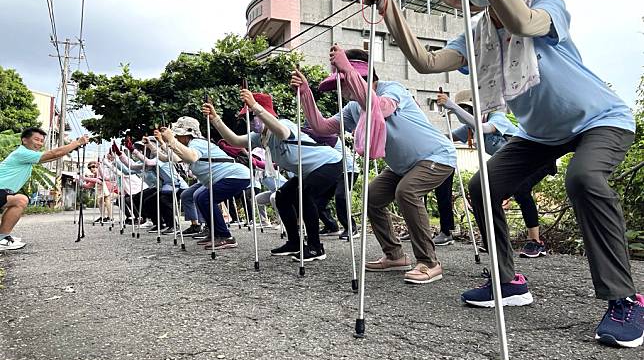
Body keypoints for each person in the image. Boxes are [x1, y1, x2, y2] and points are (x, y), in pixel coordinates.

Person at [363, 0, 641, 347]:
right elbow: (426, 62)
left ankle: (624, 298)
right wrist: (388, 8)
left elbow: (522, 24)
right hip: (538, 133)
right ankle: (509, 282)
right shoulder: (474, 36)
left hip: (600, 119)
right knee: (482, 186)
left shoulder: (545, 4)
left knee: (584, 177)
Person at [291, 46, 457, 284]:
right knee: (372, 197)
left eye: (345, 81)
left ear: (362, 76)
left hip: (436, 156)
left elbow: (379, 107)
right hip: (402, 167)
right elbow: (322, 127)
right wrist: (305, 93)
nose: (342, 88)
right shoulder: (353, 108)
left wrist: (347, 70)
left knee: (406, 192)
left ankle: (429, 263)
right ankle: (395, 256)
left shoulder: (392, 89)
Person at [203, 91, 343, 262]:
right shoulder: (260, 137)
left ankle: (315, 248)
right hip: (308, 172)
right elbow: (235, 141)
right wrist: (215, 119)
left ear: (264, 112)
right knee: (281, 197)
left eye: (252, 116)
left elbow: (283, 133)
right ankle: (294, 242)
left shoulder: (283, 124)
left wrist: (255, 107)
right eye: (247, 117)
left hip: (329, 163)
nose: (250, 120)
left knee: (305, 196)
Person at [436, 89, 555, 258]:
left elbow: (484, 128)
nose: (467, 112)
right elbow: (447, 136)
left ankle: (536, 242)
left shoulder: (496, 117)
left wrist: (453, 106)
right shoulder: (469, 128)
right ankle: (494, 240)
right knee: (484, 191)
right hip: (514, 165)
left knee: (522, 190)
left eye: (469, 108)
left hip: (536, 158)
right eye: (464, 109)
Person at [160, 116, 251, 251]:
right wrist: (164, 142)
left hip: (235, 176)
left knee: (205, 198)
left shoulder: (197, 143)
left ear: (187, 135)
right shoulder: (190, 145)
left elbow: (191, 157)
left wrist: (172, 140)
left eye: (179, 135)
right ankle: (215, 232)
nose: (177, 138)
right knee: (198, 196)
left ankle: (226, 236)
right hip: (226, 178)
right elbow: (177, 158)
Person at [0, 127, 89, 250]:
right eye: (36, 139)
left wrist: (72, 147)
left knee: (18, 200)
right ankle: (1, 238)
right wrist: (77, 143)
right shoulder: (22, 153)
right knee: (21, 200)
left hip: (3, 191)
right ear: (24, 140)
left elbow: (53, 156)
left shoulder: (28, 157)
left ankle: (2, 236)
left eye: (42, 141)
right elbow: (53, 154)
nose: (39, 143)